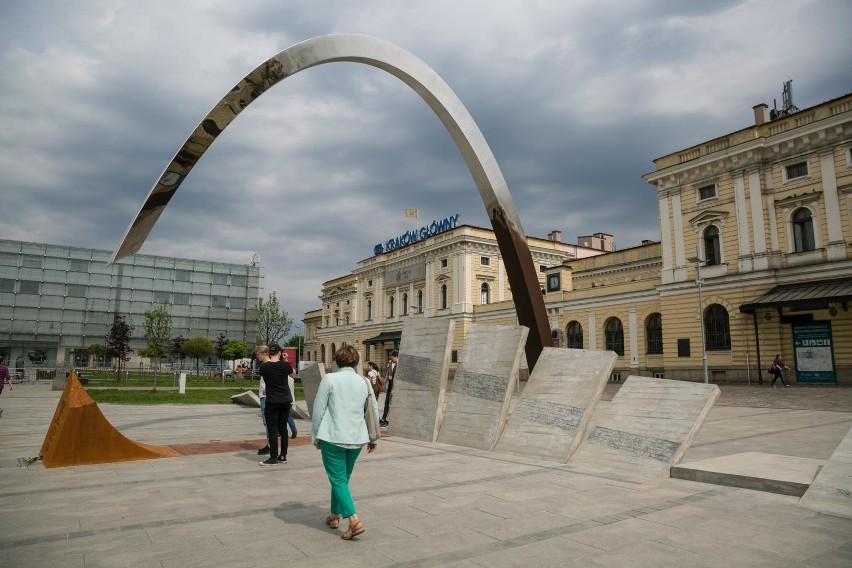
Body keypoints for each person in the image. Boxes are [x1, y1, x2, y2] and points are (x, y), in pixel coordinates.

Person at [312, 345, 379, 540]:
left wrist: (316, 436)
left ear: (337, 361)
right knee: (342, 480)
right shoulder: (364, 381)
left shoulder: (329, 379)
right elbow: (372, 409)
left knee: (338, 480)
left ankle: (354, 520)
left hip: (332, 437)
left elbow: (318, 411)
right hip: (357, 438)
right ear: (356, 361)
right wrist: (373, 438)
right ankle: (334, 516)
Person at [256, 344, 293, 465]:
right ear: (279, 352)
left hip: (272, 401)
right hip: (285, 400)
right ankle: (283, 456)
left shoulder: (264, 368)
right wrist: (285, 360)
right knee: (283, 429)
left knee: (272, 430)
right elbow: (293, 373)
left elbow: (263, 374)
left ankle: (273, 457)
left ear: (269, 353)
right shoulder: (285, 365)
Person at [281, 352, 298, 439]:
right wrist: (286, 360)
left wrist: (284, 360)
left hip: (283, 398)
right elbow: (291, 371)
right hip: (291, 399)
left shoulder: (282, 377)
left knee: (280, 416)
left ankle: (280, 432)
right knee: (288, 415)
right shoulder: (291, 378)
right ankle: (293, 428)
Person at [380, 350, 398, 427]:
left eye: (392, 357)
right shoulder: (390, 363)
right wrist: (384, 383)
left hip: (395, 385)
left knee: (391, 403)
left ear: (396, 356)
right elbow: (387, 374)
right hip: (390, 384)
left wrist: (393, 389)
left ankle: (388, 419)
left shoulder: (398, 364)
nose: (391, 358)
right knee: (387, 402)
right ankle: (384, 418)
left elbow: (395, 378)